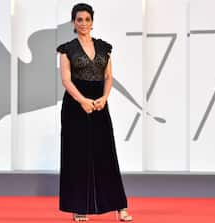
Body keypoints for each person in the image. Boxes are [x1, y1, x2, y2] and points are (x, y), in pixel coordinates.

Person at [56, 3, 133, 222]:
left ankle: (120, 206)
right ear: (73, 23)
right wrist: (82, 101)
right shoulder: (66, 49)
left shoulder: (104, 48)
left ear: (92, 22)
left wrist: (104, 98)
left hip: (99, 103)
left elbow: (109, 77)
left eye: (87, 19)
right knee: (77, 156)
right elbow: (66, 80)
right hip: (75, 106)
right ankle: (79, 207)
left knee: (106, 154)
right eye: (79, 20)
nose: (83, 24)